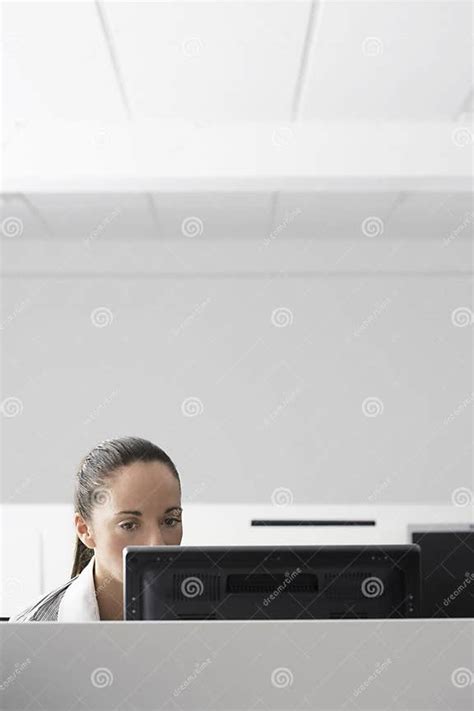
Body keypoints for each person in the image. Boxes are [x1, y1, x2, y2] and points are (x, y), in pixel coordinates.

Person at [9, 436, 183, 622]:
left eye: (170, 521)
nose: (156, 545)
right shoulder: (29, 630)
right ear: (85, 530)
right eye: (129, 525)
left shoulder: (214, 620)